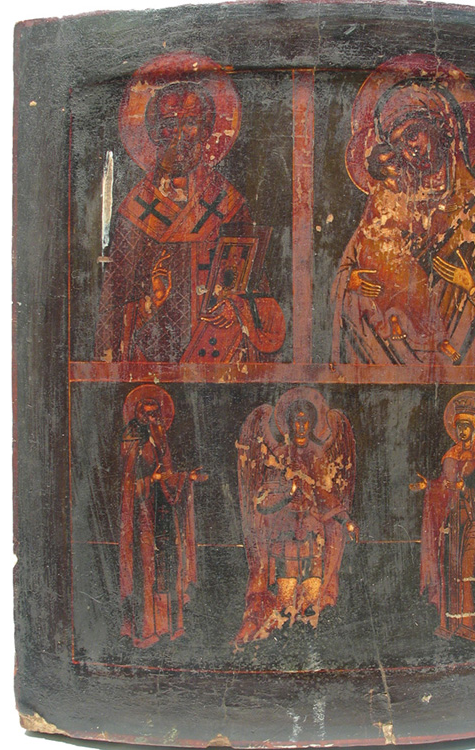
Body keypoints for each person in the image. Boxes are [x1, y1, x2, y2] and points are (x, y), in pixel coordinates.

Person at [332, 55, 475, 366]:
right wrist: (352, 283)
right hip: (390, 363)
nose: (409, 149)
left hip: (464, 369)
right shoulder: (387, 209)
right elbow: (346, 275)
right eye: (398, 144)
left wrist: (471, 287)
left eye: (413, 134)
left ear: (442, 128)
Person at [95, 52, 285, 363]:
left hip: (217, 354)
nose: (180, 133)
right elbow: (113, 307)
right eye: (170, 123)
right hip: (152, 357)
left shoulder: (229, 202)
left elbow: (257, 291)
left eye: (192, 122)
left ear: (207, 130)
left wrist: (237, 308)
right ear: (155, 130)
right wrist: (148, 304)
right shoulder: (135, 209)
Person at [235, 388, 357, 645]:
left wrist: (345, 520)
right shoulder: (280, 454)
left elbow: (324, 493)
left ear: (312, 424)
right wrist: (288, 492)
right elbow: (264, 499)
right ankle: (284, 631)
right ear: (289, 423)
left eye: (306, 421)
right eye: (296, 421)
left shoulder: (318, 454)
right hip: (285, 530)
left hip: (312, 529)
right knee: (287, 582)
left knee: (313, 580)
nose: (301, 426)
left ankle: (308, 630)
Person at [118, 385, 207, 648]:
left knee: (168, 567)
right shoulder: (132, 441)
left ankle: (169, 628)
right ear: (139, 416)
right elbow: (129, 484)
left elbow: (168, 476)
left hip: (164, 513)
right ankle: (146, 630)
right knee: (147, 571)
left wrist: (187, 478)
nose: (153, 419)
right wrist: (151, 479)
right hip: (144, 516)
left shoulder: (161, 441)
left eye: (156, 415)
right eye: (147, 415)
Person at [414, 391, 475, 640]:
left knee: (469, 571)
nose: (462, 432)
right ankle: (451, 625)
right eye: (459, 427)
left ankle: (471, 625)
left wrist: (466, 490)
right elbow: (443, 485)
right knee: (451, 572)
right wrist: (428, 486)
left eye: (466, 427)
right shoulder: (450, 455)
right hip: (451, 522)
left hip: (472, 523)